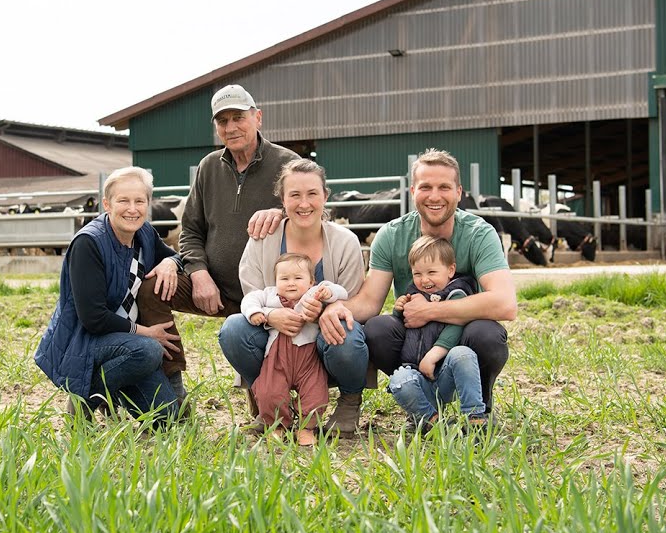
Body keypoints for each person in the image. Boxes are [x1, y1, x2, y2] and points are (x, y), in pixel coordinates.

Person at [317, 148, 518, 432]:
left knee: (487, 334)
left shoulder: (479, 233)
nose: (434, 196)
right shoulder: (392, 234)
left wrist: (431, 310)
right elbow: (370, 301)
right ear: (413, 191)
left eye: (444, 187)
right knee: (376, 329)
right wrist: (339, 307)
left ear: (459, 192)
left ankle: (480, 407)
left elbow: (505, 303)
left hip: (462, 339)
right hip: (416, 341)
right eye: (426, 187)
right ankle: (420, 399)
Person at [136, 84, 299, 402]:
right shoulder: (208, 168)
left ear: (258, 118)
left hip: (269, 295)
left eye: (238, 117)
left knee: (268, 414)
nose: (231, 127)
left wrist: (283, 212)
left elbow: (320, 213)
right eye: (222, 121)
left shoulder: (288, 164)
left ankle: (275, 389)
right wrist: (197, 272)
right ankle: (172, 386)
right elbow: (191, 231)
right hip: (213, 289)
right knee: (150, 288)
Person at [219, 158, 368, 434]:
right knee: (232, 329)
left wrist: (323, 312)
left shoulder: (345, 241)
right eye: (294, 195)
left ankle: (349, 401)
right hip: (275, 342)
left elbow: (349, 300)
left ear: (325, 196)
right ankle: (268, 400)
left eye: (312, 194)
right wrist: (272, 316)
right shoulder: (263, 239)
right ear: (282, 200)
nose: (304, 203)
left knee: (346, 333)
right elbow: (252, 291)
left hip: (322, 343)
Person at [33, 167, 185, 424]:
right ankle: (85, 398)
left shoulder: (144, 234)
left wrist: (172, 263)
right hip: (85, 342)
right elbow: (93, 319)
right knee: (149, 350)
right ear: (107, 204)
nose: (132, 209)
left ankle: (113, 388)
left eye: (139, 201)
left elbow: (173, 254)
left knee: (168, 418)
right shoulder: (89, 243)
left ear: (148, 204)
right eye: (123, 200)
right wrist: (145, 332)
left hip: (125, 344)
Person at [240, 252, 348, 446]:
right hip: (277, 358)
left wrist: (328, 293)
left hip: (308, 359)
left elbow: (342, 292)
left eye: (298, 278)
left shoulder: (314, 293)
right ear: (275, 280)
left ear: (311, 281)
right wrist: (257, 312)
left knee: (316, 394)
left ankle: (307, 428)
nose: (291, 283)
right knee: (269, 391)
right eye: (284, 278)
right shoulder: (269, 295)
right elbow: (248, 300)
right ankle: (278, 426)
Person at [387, 235, 487, 434]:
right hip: (417, 375)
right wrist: (399, 310)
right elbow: (404, 324)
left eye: (432, 272)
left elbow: (456, 326)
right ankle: (432, 422)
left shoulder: (456, 293)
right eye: (417, 273)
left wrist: (432, 356)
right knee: (398, 380)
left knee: (463, 353)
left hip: (447, 374)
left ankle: (475, 418)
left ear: (450, 270)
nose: (424, 280)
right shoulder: (412, 294)